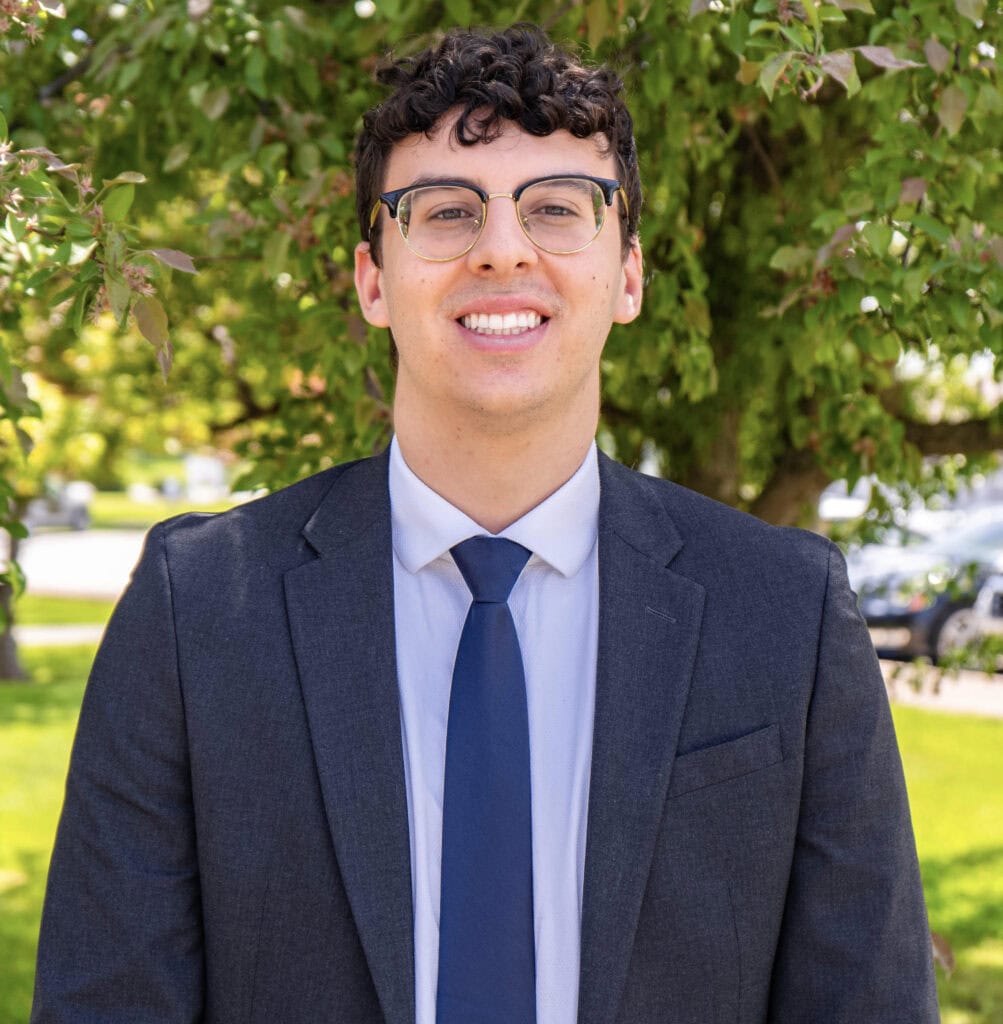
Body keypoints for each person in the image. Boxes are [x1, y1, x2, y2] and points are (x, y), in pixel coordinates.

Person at [32, 23, 939, 1024]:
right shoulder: (195, 609)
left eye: (557, 208)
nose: (502, 248)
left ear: (628, 273)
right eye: (444, 211)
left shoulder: (786, 615)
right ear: (372, 279)